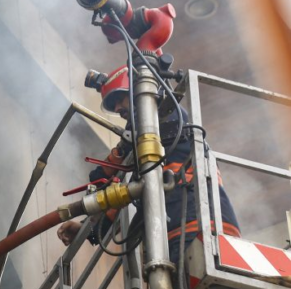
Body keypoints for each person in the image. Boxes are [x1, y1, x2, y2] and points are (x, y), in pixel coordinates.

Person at [57, 66, 240, 268]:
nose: (117, 109)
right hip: (183, 227)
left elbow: (132, 141)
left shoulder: (168, 116)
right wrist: (87, 230)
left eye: (119, 98)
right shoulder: (146, 157)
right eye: (113, 105)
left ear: (137, 91)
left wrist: (114, 159)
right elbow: (117, 201)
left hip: (197, 223)